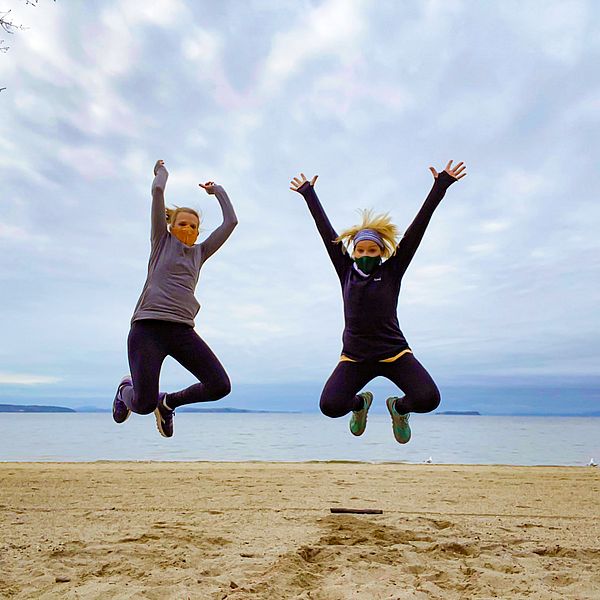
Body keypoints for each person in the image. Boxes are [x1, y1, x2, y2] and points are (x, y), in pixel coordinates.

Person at [290, 161, 466, 443]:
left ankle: (398, 408)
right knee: (330, 406)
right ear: (353, 250)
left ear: (382, 251)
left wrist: (440, 186)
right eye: (360, 249)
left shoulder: (392, 271)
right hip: (355, 357)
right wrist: (309, 194)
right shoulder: (346, 270)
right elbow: (326, 232)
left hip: (394, 353)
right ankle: (360, 405)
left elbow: (415, 231)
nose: (365, 254)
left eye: (372, 249)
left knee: (428, 399)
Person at [112, 159, 238, 437]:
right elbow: (158, 193)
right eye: (182, 223)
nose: (189, 229)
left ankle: (168, 403)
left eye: (194, 227)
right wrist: (161, 171)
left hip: (182, 331)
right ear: (171, 226)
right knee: (143, 404)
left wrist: (217, 191)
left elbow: (231, 222)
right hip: (147, 329)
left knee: (220, 386)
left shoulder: (200, 253)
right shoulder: (161, 241)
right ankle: (124, 391)